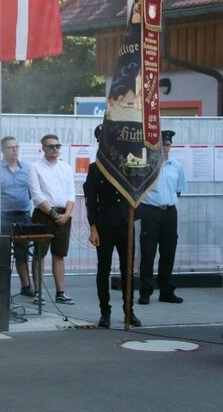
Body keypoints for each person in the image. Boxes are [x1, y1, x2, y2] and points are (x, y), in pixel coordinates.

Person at [85, 125, 141, 328]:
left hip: (125, 224)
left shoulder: (128, 165)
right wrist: (93, 227)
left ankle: (129, 311)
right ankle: (105, 312)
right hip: (104, 226)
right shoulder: (95, 168)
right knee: (104, 270)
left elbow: (137, 191)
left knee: (128, 270)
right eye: (104, 141)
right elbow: (91, 200)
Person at [138, 130, 188, 305]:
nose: (165, 148)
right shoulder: (147, 166)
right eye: (162, 145)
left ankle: (166, 290)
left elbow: (179, 190)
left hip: (169, 212)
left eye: (167, 145)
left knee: (168, 251)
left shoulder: (177, 166)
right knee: (148, 252)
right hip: (151, 211)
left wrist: (167, 201)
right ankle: (145, 291)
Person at [27, 134, 77, 305]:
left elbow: (71, 193)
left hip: (64, 214)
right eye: (50, 146)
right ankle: (38, 293)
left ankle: (60, 292)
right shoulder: (35, 167)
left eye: (57, 146)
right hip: (44, 213)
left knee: (59, 253)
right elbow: (37, 195)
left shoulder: (66, 168)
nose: (55, 149)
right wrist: (55, 215)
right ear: (43, 149)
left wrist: (67, 214)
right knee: (39, 254)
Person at [0, 136, 35, 298]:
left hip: (23, 216)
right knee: (3, 253)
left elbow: (31, 191)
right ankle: (1, 287)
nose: (14, 150)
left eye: (16, 147)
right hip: (3, 217)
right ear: (3, 150)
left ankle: (26, 286)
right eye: (10, 147)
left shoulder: (27, 169)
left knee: (22, 252)